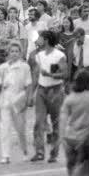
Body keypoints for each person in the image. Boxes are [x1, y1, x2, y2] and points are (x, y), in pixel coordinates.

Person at [31, 30, 67, 163]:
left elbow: (64, 74)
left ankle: (54, 153)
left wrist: (51, 75)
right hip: (41, 90)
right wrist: (31, 93)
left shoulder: (59, 55)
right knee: (38, 122)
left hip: (55, 91)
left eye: (40, 37)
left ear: (46, 40)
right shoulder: (38, 55)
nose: (37, 39)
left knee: (56, 122)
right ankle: (39, 151)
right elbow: (35, 75)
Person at [0, 42, 32, 164]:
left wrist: (27, 99)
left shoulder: (25, 67)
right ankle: (5, 155)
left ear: (20, 53)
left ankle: (25, 151)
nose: (14, 53)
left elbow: (28, 84)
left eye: (17, 51)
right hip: (5, 100)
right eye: (12, 51)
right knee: (5, 128)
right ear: (8, 53)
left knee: (20, 128)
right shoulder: (2, 68)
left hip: (19, 99)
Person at [60, 70, 89, 176]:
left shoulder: (69, 99)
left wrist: (62, 139)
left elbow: (63, 120)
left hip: (71, 138)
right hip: (87, 138)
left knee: (71, 168)